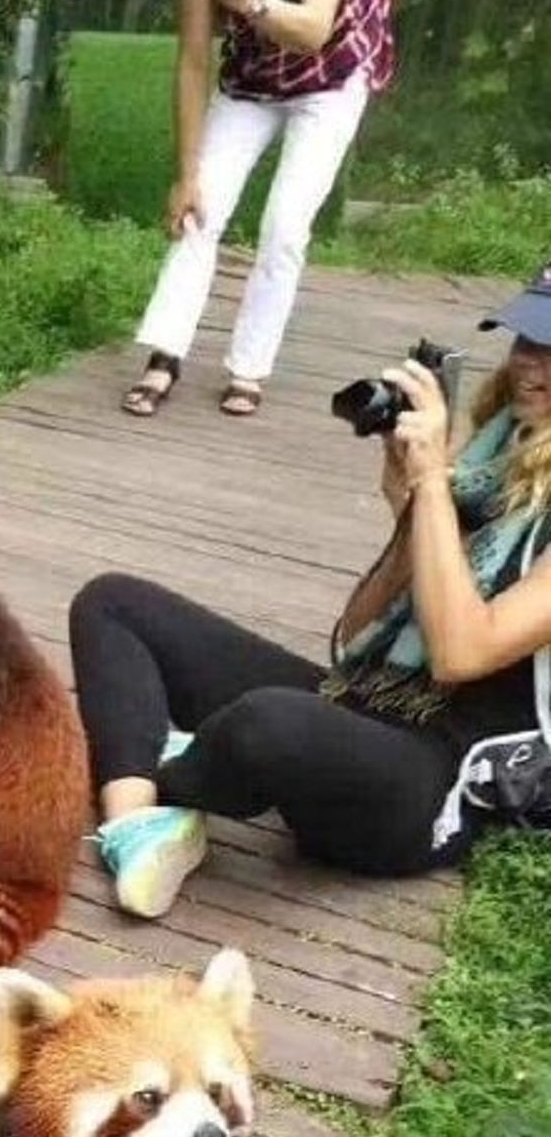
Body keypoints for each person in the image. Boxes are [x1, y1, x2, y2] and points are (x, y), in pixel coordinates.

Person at [73, 261, 551, 918]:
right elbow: (355, 638)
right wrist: (410, 507)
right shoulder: (493, 459)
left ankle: (163, 763)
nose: (533, 367)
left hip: (431, 778)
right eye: (528, 342)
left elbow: (461, 654)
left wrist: (434, 484)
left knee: (265, 722)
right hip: (362, 705)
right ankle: (139, 825)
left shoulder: (462, 478)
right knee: (114, 602)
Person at [123, 0, 394, 419]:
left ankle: (248, 368)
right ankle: (165, 354)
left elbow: (312, 31)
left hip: (333, 67)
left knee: (286, 226)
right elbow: (192, 61)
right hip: (255, 72)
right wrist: (186, 175)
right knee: (199, 210)